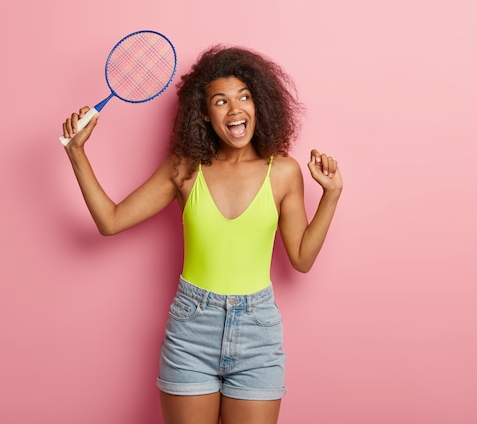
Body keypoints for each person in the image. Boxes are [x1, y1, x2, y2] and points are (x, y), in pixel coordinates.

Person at [61, 44, 343, 424]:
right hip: (192, 327)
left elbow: (302, 259)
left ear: (259, 104)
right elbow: (110, 221)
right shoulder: (184, 169)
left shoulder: (283, 172)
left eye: (244, 96)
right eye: (221, 101)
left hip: (257, 331)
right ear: (206, 115)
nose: (235, 108)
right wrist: (76, 153)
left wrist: (332, 194)